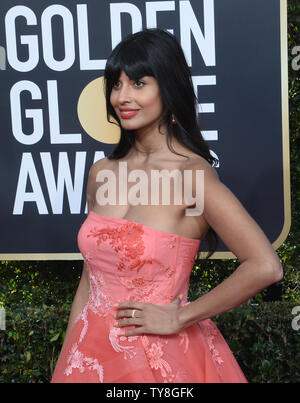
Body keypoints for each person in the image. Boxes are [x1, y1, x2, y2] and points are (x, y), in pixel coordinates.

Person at [51, 28, 283, 383]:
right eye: (116, 84)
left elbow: (265, 266)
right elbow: (89, 280)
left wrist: (179, 317)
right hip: (89, 358)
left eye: (139, 83)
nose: (122, 97)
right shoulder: (101, 173)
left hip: (160, 361)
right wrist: (66, 363)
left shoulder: (193, 176)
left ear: (169, 88)